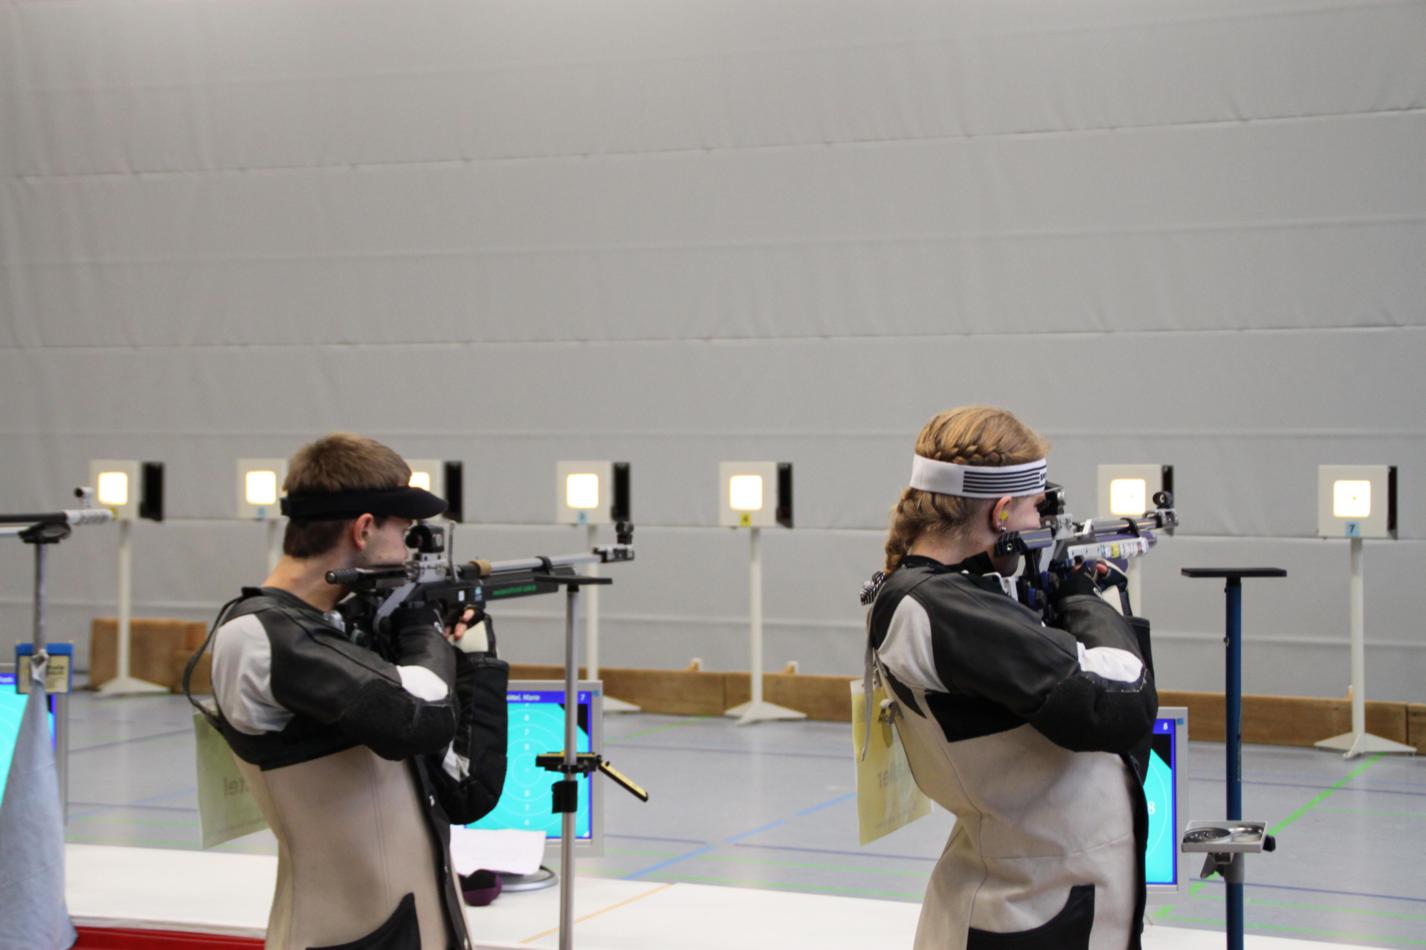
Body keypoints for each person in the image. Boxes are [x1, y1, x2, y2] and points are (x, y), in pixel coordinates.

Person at [865, 406, 1158, 950]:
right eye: (1032, 509)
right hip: (1035, 912)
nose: (1036, 526)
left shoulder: (935, 595)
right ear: (1001, 513)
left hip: (1023, 893)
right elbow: (1119, 703)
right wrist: (1082, 597)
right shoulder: (941, 608)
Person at [207, 433, 507, 950]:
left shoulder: (338, 629)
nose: (409, 550)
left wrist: (476, 662)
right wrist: (423, 628)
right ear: (364, 529)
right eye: (404, 532)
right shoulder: (260, 636)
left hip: (420, 929)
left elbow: (465, 794)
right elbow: (421, 716)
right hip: (343, 935)